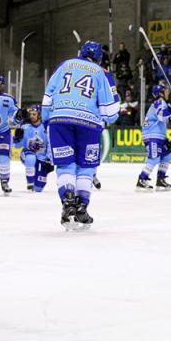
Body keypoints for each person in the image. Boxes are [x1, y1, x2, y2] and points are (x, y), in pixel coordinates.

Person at [42, 40, 120, 230]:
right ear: (100, 58)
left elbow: (47, 97)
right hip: (89, 124)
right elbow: (111, 112)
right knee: (86, 167)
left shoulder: (64, 65)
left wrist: (47, 121)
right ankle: (81, 207)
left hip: (60, 120)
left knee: (65, 165)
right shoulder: (101, 73)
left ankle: (68, 203)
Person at [136, 84, 171, 190]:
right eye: (165, 91)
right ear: (160, 94)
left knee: (167, 154)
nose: (168, 92)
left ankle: (160, 179)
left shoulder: (162, 103)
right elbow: (162, 115)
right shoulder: (158, 102)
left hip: (158, 136)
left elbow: (168, 117)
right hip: (152, 136)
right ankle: (142, 179)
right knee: (154, 158)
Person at [13, 104, 53, 192]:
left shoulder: (46, 127)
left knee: (38, 188)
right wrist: (16, 139)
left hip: (42, 158)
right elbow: (17, 146)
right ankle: (30, 184)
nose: (31, 116)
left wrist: (49, 158)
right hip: (27, 154)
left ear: (39, 115)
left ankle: (38, 178)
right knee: (31, 158)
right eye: (30, 114)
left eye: (34, 114)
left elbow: (50, 143)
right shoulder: (24, 127)